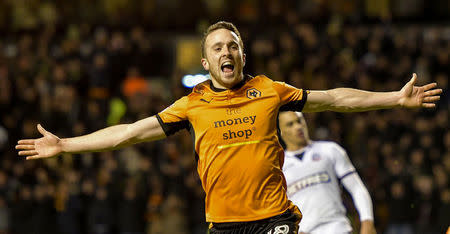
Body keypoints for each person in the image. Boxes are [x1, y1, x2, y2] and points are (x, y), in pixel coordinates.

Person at [16, 21, 442, 234]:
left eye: (233, 45)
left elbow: (334, 98)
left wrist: (393, 98)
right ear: (206, 63)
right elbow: (126, 132)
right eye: (218, 47)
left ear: (242, 54)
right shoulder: (192, 104)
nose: (227, 50)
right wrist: (66, 144)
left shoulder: (269, 91)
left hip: (274, 218)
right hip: (222, 226)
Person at [278, 111, 376, 234]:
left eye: (299, 121)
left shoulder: (330, 150)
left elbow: (357, 188)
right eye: (290, 124)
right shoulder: (279, 167)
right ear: (281, 132)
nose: (297, 127)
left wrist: (367, 221)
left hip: (338, 228)